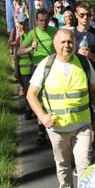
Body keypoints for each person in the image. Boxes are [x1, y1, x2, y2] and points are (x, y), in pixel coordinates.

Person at [27, 29, 95, 188]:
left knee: (84, 163)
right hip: (57, 128)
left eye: (70, 42)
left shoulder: (84, 63)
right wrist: (43, 117)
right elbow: (31, 95)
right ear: (55, 45)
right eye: (63, 42)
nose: (67, 45)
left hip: (82, 125)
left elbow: (94, 90)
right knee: (62, 163)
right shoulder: (46, 65)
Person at [19, 9, 59, 141]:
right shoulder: (33, 33)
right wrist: (31, 47)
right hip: (38, 68)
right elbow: (19, 51)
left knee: (53, 97)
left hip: (53, 67)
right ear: (37, 21)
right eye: (41, 20)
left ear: (49, 20)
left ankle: (55, 126)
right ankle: (41, 131)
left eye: (46, 20)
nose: (44, 23)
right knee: (39, 99)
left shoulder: (54, 32)